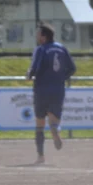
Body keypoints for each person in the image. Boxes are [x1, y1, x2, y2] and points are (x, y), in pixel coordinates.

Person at [26, 24, 76, 165]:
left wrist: (29, 75)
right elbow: (72, 68)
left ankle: (41, 156)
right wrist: (60, 78)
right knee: (54, 120)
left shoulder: (40, 49)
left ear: (44, 36)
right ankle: (55, 130)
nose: (36, 36)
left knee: (40, 124)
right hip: (58, 89)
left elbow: (34, 68)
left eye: (38, 34)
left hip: (41, 89)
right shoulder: (62, 48)